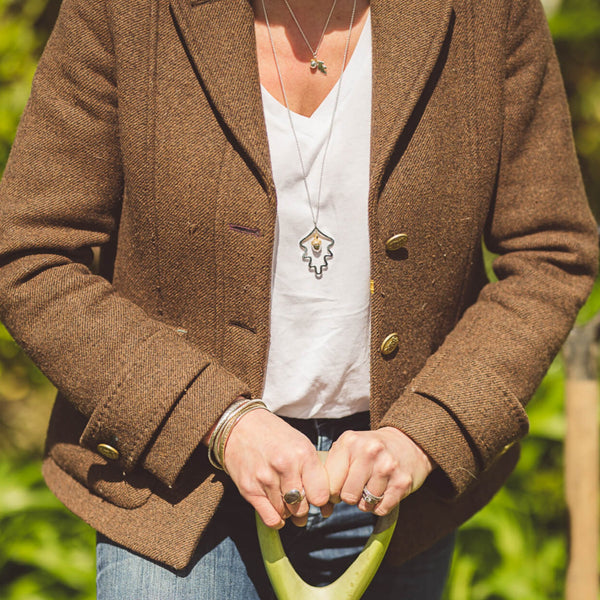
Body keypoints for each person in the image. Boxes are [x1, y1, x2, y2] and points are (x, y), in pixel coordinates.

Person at [0, 0, 597, 597]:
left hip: (395, 496)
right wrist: (216, 419)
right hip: (175, 489)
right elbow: (30, 254)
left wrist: (432, 428)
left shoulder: (486, 14)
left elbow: (550, 253)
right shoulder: (126, 11)